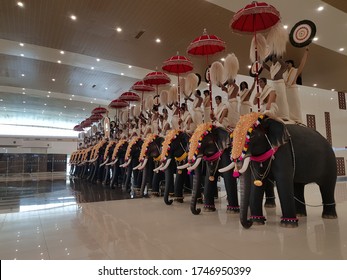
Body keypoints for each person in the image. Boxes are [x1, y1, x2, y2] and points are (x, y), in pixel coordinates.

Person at [283, 47, 309, 123]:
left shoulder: (295, 71)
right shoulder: (284, 74)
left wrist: (306, 53)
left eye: (288, 63)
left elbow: (302, 64)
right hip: (286, 91)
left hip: (293, 90)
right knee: (287, 106)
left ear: (292, 64)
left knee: (295, 105)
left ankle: (298, 120)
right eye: (286, 63)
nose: (287, 64)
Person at [263, 54, 290, 120]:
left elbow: (284, 66)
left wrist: (278, 58)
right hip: (274, 84)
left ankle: (284, 116)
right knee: (275, 100)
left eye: (273, 56)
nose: (272, 57)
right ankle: (276, 114)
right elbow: (264, 66)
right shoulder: (272, 67)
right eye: (272, 57)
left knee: (282, 99)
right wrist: (261, 59)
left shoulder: (280, 64)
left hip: (280, 84)